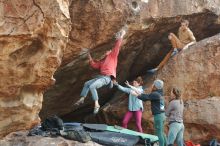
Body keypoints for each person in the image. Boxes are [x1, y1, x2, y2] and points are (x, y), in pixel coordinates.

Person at [75, 27, 127, 114]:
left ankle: (97, 104)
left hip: (108, 78)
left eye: (109, 50)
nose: (108, 51)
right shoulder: (102, 62)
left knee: (92, 86)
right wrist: (88, 55)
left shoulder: (112, 56)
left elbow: (117, 47)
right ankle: (82, 98)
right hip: (101, 77)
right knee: (87, 83)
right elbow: (94, 65)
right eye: (108, 50)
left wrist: (121, 35)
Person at [134, 79, 167, 146]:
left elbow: (146, 97)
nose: (152, 85)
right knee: (161, 132)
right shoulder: (159, 93)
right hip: (162, 115)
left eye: (153, 84)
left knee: (158, 133)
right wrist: (139, 94)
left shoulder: (155, 94)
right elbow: (147, 95)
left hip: (158, 116)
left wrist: (137, 95)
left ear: (155, 86)